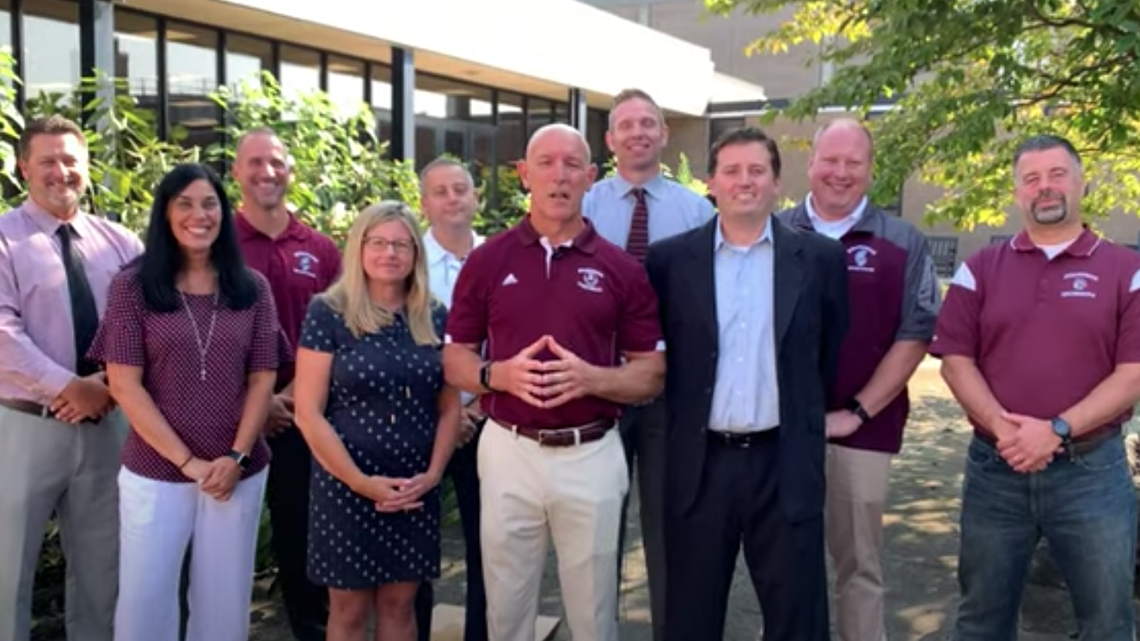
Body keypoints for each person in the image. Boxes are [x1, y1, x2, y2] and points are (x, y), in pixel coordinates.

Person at [442, 123, 665, 641]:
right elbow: (454, 357)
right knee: (507, 608)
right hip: (508, 449)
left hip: (590, 452)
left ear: (590, 176)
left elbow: (650, 375)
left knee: (593, 613)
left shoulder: (621, 269)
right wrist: (496, 375)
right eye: (545, 163)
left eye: (572, 165)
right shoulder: (487, 260)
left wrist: (592, 379)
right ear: (524, 174)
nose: (558, 176)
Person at [931, 134, 1140, 641]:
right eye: (1031, 179)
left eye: (1056, 175)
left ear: (1081, 182)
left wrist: (1057, 430)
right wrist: (1008, 432)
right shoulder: (980, 268)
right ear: (1017, 192)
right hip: (994, 470)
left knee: (1107, 622)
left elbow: (1133, 373)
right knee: (981, 619)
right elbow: (955, 361)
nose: (1044, 188)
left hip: (1093, 474)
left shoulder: (1126, 270)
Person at [645, 126, 849, 641]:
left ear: (777, 182)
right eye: (731, 171)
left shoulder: (820, 260)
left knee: (796, 616)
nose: (745, 181)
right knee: (690, 615)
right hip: (699, 463)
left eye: (757, 170)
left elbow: (826, 352)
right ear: (710, 182)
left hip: (783, 460)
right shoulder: (669, 261)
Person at [88, 163, 287, 641]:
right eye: (185, 204)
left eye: (210, 203)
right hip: (156, 471)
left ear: (224, 212)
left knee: (224, 604)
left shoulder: (252, 288)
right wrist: (189, 462)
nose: (199, 215)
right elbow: (124, 384)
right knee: (145, 602)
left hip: (236, 471)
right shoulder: (131, 287)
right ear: (165, 213)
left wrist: (234, 458)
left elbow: (263, 378)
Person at [777, 118, 940, 641]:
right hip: (777, 431)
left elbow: (914, 335)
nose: (840, 173)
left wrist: (858, 411)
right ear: (811, 163)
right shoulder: (774, 232)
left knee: (859, 567)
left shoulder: (902, 242)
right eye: (830, 160)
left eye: (854, 162)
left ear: (871, 170)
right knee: (779, 563)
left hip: (862, 433)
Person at [0, 115, 143, 641]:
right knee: (6, 573)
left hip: (109, 428)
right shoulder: (3, 240)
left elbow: (150, 322)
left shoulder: (122, 243)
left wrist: (104, 386)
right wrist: (69, 386)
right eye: (47, 162)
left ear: (87, 168)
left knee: (102, 573)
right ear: (23, 168)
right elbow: (1, 331)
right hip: (24, 428)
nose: (60, 172)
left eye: (70, 161)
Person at [293, 201, 463, 641]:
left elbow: (449, 408)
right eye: (380, 242)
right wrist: (358, 481)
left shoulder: (435, 315)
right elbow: (308, 412)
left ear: (415, 255)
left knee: (400, 604)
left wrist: (432, 476)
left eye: (402, 244)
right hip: (344, 486)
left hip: (413, 486)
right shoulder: (328, 312)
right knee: (347, 611)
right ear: (360, 247)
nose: (391, 253)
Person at [582, 88, 714, 639]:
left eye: (649, 123)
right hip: (598, 390)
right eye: (626, 125)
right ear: (610, 140)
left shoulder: (698, 211)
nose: (638, 132)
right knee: (594, 531)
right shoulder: (582, 208)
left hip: (672, 393)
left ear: (664, 135)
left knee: (669, 530)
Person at [232, 126, 341, 641]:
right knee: (223, 545)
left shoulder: (320, 249)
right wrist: (257, 404)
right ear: (237, 172)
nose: (266, 172)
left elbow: (341, 330)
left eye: (275, 162)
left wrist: (286, 399)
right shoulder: (216, 243)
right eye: (254, 162)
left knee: (302, 540)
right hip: (227, 421)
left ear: (290, 171)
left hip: (305, 419)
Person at [413, 157, 488, 641]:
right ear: (424, 203)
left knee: (491, 545)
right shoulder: (405, 260)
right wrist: (446, 412)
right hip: (421, 422)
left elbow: (513, 340)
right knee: (417, 547)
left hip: (486, 419)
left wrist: (472, 408)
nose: (452, 198)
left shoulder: (501, 257)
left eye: (460, 189)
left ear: (476, 197)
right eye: (440, 191)